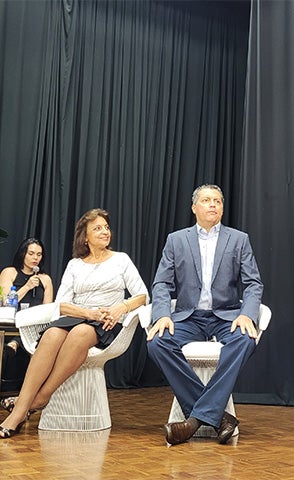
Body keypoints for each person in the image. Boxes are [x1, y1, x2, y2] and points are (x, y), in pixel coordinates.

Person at [0, 208, 148, 438]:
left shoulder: (121, 260)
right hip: (81, 315)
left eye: (106, 227)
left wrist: (121, 307)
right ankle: (22, 408)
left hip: (107, 321)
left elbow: (142, 295)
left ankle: (39, 398)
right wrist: (89, 313)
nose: (104, 232)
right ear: (85, 237)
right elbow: (62, 304)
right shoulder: (75, 264)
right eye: (97, 228)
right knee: (51, 335)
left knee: (79, 333)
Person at [147, 184, 263, 446]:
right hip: (189, 316)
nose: (213, 204)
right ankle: (218, 417)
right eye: (207, 200)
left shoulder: (238, 239)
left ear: (222, 208)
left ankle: (195, 421)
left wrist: (247, 314)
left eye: (218, 201)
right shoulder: (176, 240)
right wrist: (163, 314)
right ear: (194, 208)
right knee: (157, 342)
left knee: (245, 339)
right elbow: (162, 284)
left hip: (226, 316)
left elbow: (254, 283)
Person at [0, 238, 54, 360]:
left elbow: (47, 310)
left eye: (39, 255)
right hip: (13, 321)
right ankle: (15, 342)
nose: (35, 258)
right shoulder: (9, 272)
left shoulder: (45, 279)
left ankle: (15, 343)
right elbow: (5, 303)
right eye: (31, 253)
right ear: (23, 254)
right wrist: (27, 286)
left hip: (35, 324)